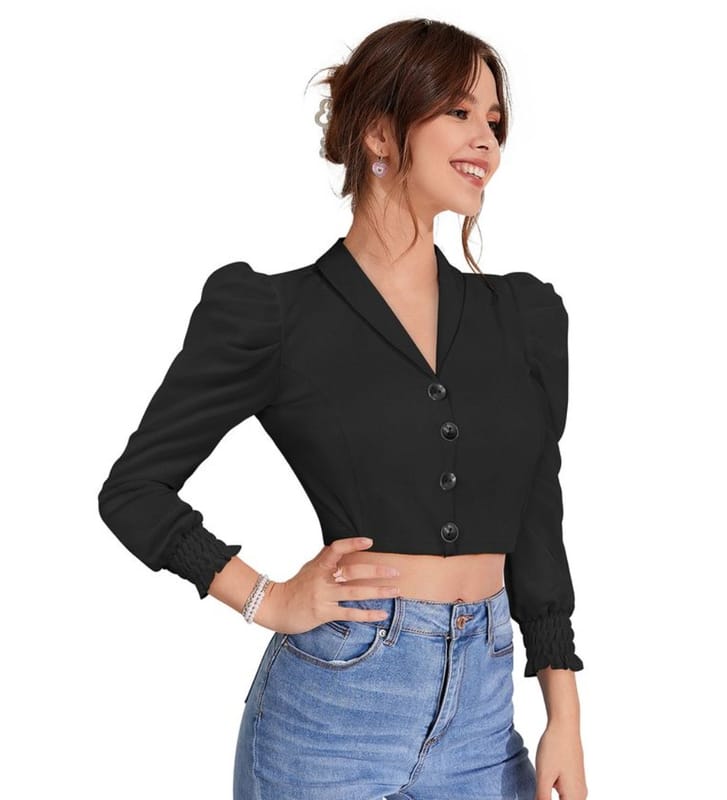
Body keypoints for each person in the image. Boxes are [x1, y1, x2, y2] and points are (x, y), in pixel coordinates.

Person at [98, 17, 587, 800]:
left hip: (484, 713)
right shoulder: (273, 316)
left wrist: (563, 713)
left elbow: (535, 513)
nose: (486, 141)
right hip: (331, 710)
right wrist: (266, 598)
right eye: (459, 111)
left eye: (494, 121)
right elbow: (133, 491)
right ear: (379, 133)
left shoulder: (522, 318)